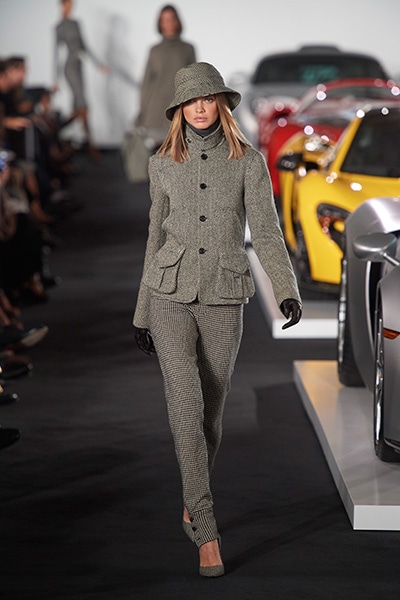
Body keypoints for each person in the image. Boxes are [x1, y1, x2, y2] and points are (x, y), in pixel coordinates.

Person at [133, 62, 302, 578]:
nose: (200, 108)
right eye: (191, 101)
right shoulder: (162, 163)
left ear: (222, 103)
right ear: (180, 109)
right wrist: (142, 311)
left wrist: (286, 289)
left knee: (210, 412)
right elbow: (154, 237)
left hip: (225, 296)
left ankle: (192, 496)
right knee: (185, 406)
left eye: (208, 98)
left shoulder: (247, 162)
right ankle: (207, 531)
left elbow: (267, 233)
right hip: (169, 294)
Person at [135, 4, 196, 151]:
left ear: (178, 21)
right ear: (160, 24)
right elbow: (146, 83)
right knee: (157, 158)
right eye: (164, 20)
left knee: (181, 155)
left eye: (172, 19)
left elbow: (195, 81)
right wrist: (142, 112)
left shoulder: (187, 49)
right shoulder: (155, 50)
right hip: (156, 111)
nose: (168, 23)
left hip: (179, 108)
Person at [54, 0, 108, 156]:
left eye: (72, 5)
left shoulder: (76, 23)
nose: (70, 7)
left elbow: (85, 46)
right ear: (62, 5)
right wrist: (55, 80)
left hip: (79, 66)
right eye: (68, 4)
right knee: (83, 106)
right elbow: (56, 54)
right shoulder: (59, 27)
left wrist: (98, 64)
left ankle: (58, 131)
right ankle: (90, 145)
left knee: (79, 106)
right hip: (70, 67)